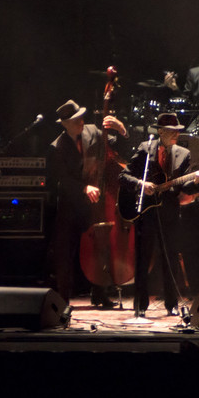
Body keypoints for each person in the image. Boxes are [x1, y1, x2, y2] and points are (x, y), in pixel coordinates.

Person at [120, 113, 199, 318]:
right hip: (147, 212)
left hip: (170, 213)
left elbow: (185, 187)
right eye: (171, 131)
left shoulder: (183, 154)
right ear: (160, 132)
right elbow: (124, 176)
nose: (176, 134)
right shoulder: (145, 148)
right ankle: (140, 305)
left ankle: (171, 304)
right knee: (143, 257)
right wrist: (142, 184)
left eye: (177, 131)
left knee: (171, 259)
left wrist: (197, 180)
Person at [47, 98, 128, 308]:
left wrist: (121, 130)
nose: (80, 122)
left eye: (81, 117)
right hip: (71, 205)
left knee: (101, 248)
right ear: (64, 124)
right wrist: (84, 188)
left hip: (95, 203)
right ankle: (63, 300)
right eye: (75, 120)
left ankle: (99, 293)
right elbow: (61, 180)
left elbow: (116, 149)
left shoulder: (93, 130)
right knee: (66, 253)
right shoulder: (57, 147)